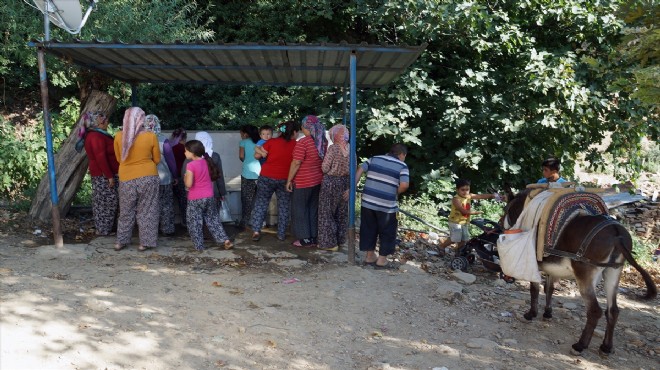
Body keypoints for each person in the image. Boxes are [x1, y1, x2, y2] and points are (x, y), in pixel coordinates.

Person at [113, 107, 161, 252]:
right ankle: (144, 243)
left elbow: (118, 159)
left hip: (126, 177)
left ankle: (121, 242)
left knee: (126, 211)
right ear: (141, 119)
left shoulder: (118, 136)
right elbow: (157, 159)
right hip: (148, 177)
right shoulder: (150, 136)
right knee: (147, 210)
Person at [355, 143, 409, 269]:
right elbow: (405, 185)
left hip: (368, 201)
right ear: (402, 154)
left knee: (369, 228)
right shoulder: (402, 165)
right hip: (387, 205)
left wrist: (353, 186)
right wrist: (396, 193)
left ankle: (369, 256)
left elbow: (360, 169)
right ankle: (382, 260)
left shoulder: (374, 158)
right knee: (387, 231)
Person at [250, 120, 300, 242]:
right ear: (294, 132)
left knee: (261, 203)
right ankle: (281, 234)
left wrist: (260, 151)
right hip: (285, 179)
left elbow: (256, 156)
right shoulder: (296, 144)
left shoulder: (271, 142)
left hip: (266, 177)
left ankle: (256, 230)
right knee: (283, 206)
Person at [183, 139, 232, 251]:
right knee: (213, 220)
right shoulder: (207, 162)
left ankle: (199, 246)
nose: (184, 153)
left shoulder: (191, 165)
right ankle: (225, 240)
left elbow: (189, 184)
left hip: (195, 198)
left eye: (186, 151)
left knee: (194, 222)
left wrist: (186, 177)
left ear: (192, 152)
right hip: (209, 196)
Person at [286, 115, 327, 247]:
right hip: (317, 181)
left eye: (302, 127)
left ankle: (304, 239)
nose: (302, 129)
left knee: (300, 209)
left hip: (303, 182)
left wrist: (289, 180)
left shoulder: (303, 142)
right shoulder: (322, 141)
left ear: (307, 127)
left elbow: (296, 162)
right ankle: (314, 237)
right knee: (313, 209)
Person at [76, 111, 119, 236]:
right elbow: (100, 158)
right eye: (105, 121)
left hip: (105, 174)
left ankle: (106, 229)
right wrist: (109, 176)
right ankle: (104, 230)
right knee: (106, 203)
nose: (108, 123)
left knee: (106, 202)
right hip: (103, 175)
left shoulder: (99, 135)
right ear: (99, 123)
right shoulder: (95, 136)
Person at [437, 178, 497, 254]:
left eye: (467, 189)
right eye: (463, 190)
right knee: (455, 238)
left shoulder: (469, 196)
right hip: (455, 222)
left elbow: (481, 196)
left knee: (464, 239)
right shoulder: (456, 199)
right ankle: (442, 246)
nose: (465, 192)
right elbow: (463, 211)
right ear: (457, 190)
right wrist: (475, 212)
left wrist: (492, 195)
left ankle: (458, 251)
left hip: (464, 222)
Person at [317, 124, 350, 251]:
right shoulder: (351, 150)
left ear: (335, 135)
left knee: (326, 213)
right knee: (341, 213)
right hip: (345, 183)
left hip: (331, 182)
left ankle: (329, 243)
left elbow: (325, 167)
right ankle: (341, 240)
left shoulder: (333, 148)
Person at [144, 114, 177, 236]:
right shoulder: (163, 140)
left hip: (146, 178)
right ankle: (167, 229)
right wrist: (175, 175)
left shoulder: (140, 139)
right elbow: (171, 161)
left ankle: (150, 230)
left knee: (148, 205)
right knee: (166, 204)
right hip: (164, 179)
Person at [238, 124, 261, 231]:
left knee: (246, 199)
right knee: (260, 200)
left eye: (241, 133)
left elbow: (241, 156)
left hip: (247, 174)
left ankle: (245, 223)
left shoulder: (243, 142)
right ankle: (260, 222)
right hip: (261, 174)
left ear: (245, 134)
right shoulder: (262, 142)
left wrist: (247, 162)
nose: (240, 136)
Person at [170, 127, 188, 226]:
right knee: (183, 200)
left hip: (171, 176)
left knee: (170, 201)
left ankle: (170, 223)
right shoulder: (185, 149)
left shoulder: (170, 147)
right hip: (182, 176)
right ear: (184, 137)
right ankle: (185, 221)